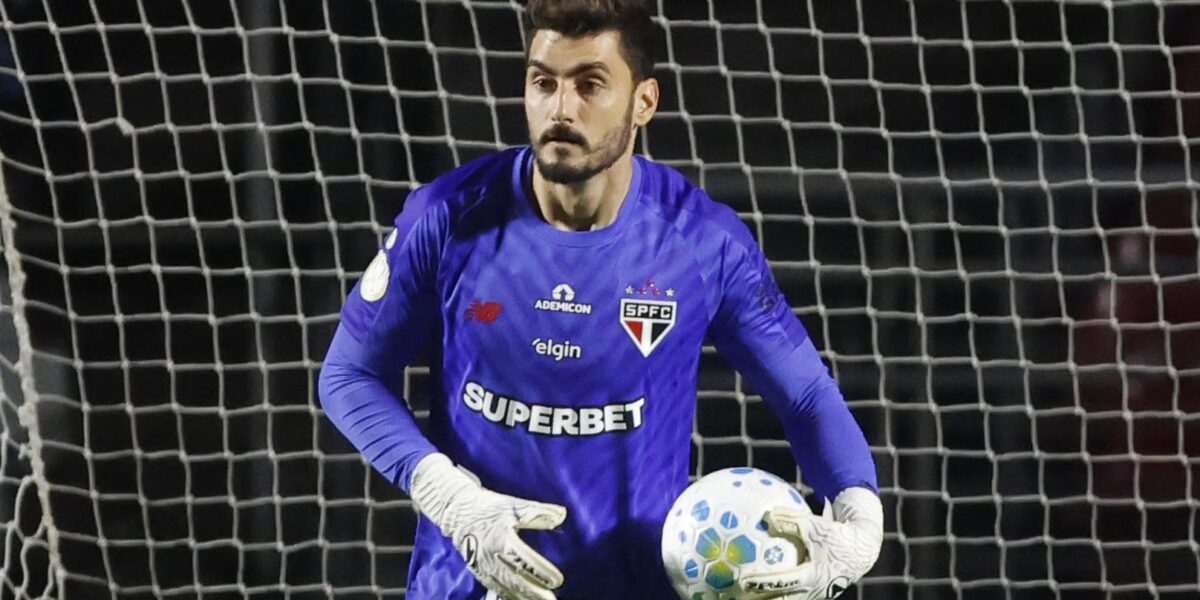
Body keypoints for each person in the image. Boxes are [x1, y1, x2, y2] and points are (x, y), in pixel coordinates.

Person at [317, 1, 882, 598]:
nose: (561, 108)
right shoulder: (448, 218)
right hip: (466, 587)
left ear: (644, 101)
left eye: (590, 84)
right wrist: (445, 494)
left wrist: (860, 516)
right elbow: (349, 376)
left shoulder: (701, 243)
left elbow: (806, 395)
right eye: (544, 83)